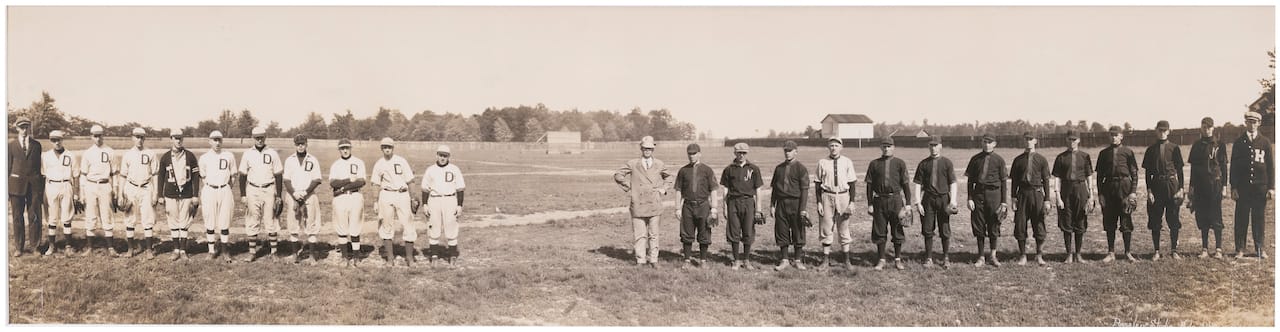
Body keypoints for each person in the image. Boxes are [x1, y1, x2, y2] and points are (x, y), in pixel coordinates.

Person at [613, 136, 673, 268]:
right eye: (645, 148)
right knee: (640, 235)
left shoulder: (660, 164)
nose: (647, 151)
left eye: (650, 149)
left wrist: (663, 189)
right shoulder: (633, 163)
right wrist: (629, 187)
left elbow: (669, 178)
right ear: (641, 148)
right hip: (638, 204)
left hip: (654, 204)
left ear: (653, 149)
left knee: (654, 234)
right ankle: (640, 260)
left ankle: (653, 260)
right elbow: (618, 175)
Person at [1230, 111, 1273, 259]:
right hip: (1243, 188)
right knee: (1241, 218)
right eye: (1249, 122)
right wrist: (1233, 187)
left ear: (1259, 123)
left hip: (1260, 188)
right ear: (1245, 123)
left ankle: (1260, 248)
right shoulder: (1239, 142)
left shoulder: (1265, 142)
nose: (1252, 124)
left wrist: (1271, 188)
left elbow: (1271, 167)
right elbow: (1233, 167)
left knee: (1258, 218)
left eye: (1255, 122)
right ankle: (1240, 248)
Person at [238, 126, 284, 262]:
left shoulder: (272, 153)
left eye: (261, 137)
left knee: (271, 220)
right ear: (253, 138)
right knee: (253, 219)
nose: (259, 140)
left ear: (265, 137)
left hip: (269, 189)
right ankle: (252, 252)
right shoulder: (248, 154)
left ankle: (274, 252)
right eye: (257, 137)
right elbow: (242, 175)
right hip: (252, 189)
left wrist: (279, 195)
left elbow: (278, 175)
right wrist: (243, 195)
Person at [865, 137, 912, 270]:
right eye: (884, 146)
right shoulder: (874, 164)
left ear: (893, 147)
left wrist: (908, 203)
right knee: (879, 230)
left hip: (895, 200)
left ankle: (897, 259)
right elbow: (869, 186)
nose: (886, 149)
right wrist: (870, 204)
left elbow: (906, 184)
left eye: (889, 146)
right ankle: (881, 259)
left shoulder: (900, 163)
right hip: (879, 200)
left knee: (897, 229)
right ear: (881, 148)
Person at [1142, 120, 1186, 260]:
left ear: (1169, 131)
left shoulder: (1174, 148)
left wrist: (1181, 189)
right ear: (1156, 131)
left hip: (1171, 185)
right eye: (1160, 130)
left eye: (1164, 130)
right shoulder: (1150, 150)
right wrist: (1149, 190)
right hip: (1156, 185)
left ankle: (1174, 250)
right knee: (1155, 218)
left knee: (1173, 217)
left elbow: (1180, 171)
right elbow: (1148, 173)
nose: (1162, 133)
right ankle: (1156, 251)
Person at [912, 136, 957, 268]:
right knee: (927, 229)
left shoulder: (947, 163)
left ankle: (946, 257)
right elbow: (918, 184)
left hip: (943, 198)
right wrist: (918, 202)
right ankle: (929, 258)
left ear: (941, 146)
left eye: (936, 145)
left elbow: (953, 182)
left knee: (944, 228)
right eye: (931, 145)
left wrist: (953, 201)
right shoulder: (923, 164)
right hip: (928, 198)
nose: (933, 148)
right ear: (928, 146)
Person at [371, 137, 418, 267]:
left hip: (402, 194)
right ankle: (390, 258)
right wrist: (375, 201)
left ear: (393, 148)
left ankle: (409, 258)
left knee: (408, 224)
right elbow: (375, 183)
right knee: (386, 225)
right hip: (386, 194)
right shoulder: (379, 163)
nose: (387, 149)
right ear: (381, 148)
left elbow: (410, 181)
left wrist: (413, 197)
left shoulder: (401, 161)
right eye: (385, 147)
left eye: (389, 147)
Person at [156, 128, 201, 261]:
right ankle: (176, 249)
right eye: (175, 138)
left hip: (186, 193)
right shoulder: (165, 157)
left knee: (184, 222)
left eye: (180, 138)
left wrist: (195, 194)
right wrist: (160, 195)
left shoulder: (190, 156)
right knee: (173, 221)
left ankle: (183, 249)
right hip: (170, 194)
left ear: (183, 139)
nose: (178, 140)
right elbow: (160, 177)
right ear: (171, 139)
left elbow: (195, 176)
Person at [1186, 117, 1228, 259]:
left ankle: (1218, 249)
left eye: (1209, 127)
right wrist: (1191, 187)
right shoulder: (1196, 145)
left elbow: (1223, 167)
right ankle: (1204, 248)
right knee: (1203, 217)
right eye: (1204, 127)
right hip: (1200, 186)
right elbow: (1193, 169)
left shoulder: (1219, 145)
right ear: (1201, 128)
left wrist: (1224, 187)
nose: (1207, 129)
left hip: (1215, 185)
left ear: (1213, 128)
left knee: (1216, 216)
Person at [813, 138, 858, 269]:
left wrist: (852, 202)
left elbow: (852, 183)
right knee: (826, 228)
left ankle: (847, 260)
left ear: (841, 147)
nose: (833, 148)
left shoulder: (847, 162)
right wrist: (819, 202)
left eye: (836, 145)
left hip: (843, 196)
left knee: (843, 228)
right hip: (827, 196)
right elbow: (817, 183)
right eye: (831, 145)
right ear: (828, 147)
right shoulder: (822, 162)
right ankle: (825, 260)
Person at [965, 133, 1009, 267]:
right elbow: (970, 181)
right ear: (981, 143)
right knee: (979, 225)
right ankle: (981, 256)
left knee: (994, 224)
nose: (987, 144)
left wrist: (1003, 202)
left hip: (994, 195)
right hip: (978, 194)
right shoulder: (975, 159)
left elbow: (1003, 182)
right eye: (985, 141)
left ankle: (993, 256)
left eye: (990, 142)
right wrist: (970, 198)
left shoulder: (999, 160)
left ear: (994, 144)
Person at [720, 142, 766, 270]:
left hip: (748, 202)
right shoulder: (729, 169)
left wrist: (759, 209)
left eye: (744, 153)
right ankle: (736, 260)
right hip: (733, 202)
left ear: (747, 153)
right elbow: (725, 189)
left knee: (748, 231)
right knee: (734, 231)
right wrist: (724, 207)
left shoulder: (753, 169)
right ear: (734, 153)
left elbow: (758, 190)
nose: (741, 155)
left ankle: (746, 259)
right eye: (739, 152)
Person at [1010, 132, 1052, 266]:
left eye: (1031, 139)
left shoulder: (1041, 159)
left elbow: (1045, 180)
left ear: (1035, 141)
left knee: (1039, 224)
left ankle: (1039, 255)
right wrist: (1013, 198)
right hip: (1022, 194)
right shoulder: (1018, 160)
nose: (1028, 141)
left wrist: (1047, 200)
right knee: (1020, 224)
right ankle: (1022, 255)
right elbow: (1014, 181)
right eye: (1026, 139)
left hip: (1037, 194)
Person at [1094, 126, 1136, 263]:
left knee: (1126, 220)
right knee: (1110, 221)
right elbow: (1099, 176)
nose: (1113, 137)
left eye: (1116, 135)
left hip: (1124, 187)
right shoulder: (1103, 153)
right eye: (1111, 135)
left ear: (1121, 136)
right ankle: (1111, 252)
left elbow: (1134, 174)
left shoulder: (1128, 152)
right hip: (1109, 188)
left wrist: (1133, 193)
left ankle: (1127, 252)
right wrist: (1100, 194)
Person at [673, 143, 718, 269]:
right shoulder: (683, 170)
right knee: (686, 233)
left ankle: (703, 260)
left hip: (703, 205)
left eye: (694, 153)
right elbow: (678, 190)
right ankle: (687, 260)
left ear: (699, 154)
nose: (692, 156)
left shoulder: (707, 170)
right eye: (689, 154)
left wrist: (714, 208)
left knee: (704, 233)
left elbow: (713, 190)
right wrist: (677, 208)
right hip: (688, 206)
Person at [421, 145, 467, 266]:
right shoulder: (430, 170)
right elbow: (425, 189)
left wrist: (459, 205)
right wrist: (425, 204)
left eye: (445, 156)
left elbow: (460, 189)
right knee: (433, 228)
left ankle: (452, 256)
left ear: (448, 157)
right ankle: (434, 256)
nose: (442, 158)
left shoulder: (454, 169)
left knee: (451, 227)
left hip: (450, 199)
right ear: (437, 155)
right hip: (434, 200)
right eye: (440, 155)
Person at [282, 135, 323, 264]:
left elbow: (317, 179)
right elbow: (286, 180)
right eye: (298, 144)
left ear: (306, 144)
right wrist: (294, 194)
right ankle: (295, 255)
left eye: (303, 144)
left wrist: (305, 193)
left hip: (309, 195)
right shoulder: (290, 160)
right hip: (293, 196)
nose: (300, 146)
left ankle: (311, 256)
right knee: (293, 225)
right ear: (295, 145)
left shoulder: (313, 159)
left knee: (311, 225)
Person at [118, 127, 159, 258]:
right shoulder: (127, 154)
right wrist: (120, 193)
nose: (139, 139)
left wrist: (156, 192)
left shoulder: (151, 153)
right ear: (132, 138)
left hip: (146, 188)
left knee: (148, 219)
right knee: (130, 219)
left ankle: (149, 250)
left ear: (144, 138)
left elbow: (155, 174)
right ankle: (130, 249)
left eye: (141, 137)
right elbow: (123, 175)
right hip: (131, 188)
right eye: (137, 136)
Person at [80, 124, 120, 257]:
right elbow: (83, 175)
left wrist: (115, 189)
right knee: (90, 215)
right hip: (91, 185)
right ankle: (90, 247)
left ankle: (111, 248)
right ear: (91, 137)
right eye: (95, 136)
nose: (98, 138)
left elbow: (115, 173)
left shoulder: (110, 151)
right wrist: (82, 192)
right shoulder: (87, 153)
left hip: (105, 185)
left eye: (100, 135)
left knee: (106, 215)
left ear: (103, 135)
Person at [770, 141, 810, 271]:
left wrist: (803, 209)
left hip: (796, 203)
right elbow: (775, 189)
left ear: (795, 152)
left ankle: (798, 259)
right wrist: (772, 204)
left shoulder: (801, 168)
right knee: (782, 230)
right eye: (785, 150)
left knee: (798, 230)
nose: (787, 153)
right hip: (781, 203)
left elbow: (804, 190)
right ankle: (785, 259)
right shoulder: (779, 168)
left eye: (790, 150)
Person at [198, 130, 237, 262]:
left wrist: (225, 187)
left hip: (224, 189)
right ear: (210, 141)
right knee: (210, 220)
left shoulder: (229, 155)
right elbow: (203, 177)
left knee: (224, 221)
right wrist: (212, 186)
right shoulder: (204, 158)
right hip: (209, 189)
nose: (217, 142)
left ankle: (225, 251)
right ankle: (211, 251)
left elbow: (233, 176)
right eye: (214, 140)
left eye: (219, 139)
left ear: (222, 141)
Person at [329, 138, 368, 266]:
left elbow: (361, 181)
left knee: (355, 227)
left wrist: (344, 187)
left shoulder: (358, 162)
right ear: (339, 150)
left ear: (350, 148)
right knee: (342, 227)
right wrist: (348, 180)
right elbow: (333, 182)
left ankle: (356, 257)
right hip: (340, 199)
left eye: (347, 148)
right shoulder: (336, 164)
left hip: (355, 196)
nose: (345, 150)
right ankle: (345, 257)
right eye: (342, 148)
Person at [9, 117, 43, 257]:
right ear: (17, 128)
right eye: (21, 127)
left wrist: (39, 187)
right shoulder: (11, 146)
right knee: (17, 217)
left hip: (33, 186)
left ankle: (35, 246)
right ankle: (19, 247)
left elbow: (38, 167)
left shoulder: (36, 145)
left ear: (29, 128)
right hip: (16, 186)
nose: (24, 130)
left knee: (34, 216)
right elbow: (7, 167)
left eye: (26, 127)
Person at [40, 130, 77, 256]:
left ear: (62, 140)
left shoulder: (70, 155)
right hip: (51, 185)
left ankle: (68, 245)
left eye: (59, 140)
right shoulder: (46, 156)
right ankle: (52, 246)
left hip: (66, 184)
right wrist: (43, 193)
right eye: (54, 140)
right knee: (52, 217)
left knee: (66, 216)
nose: (56, 142)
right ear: (50, 141)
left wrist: (76, 193)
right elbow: (43, 175)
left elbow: (76, 175)